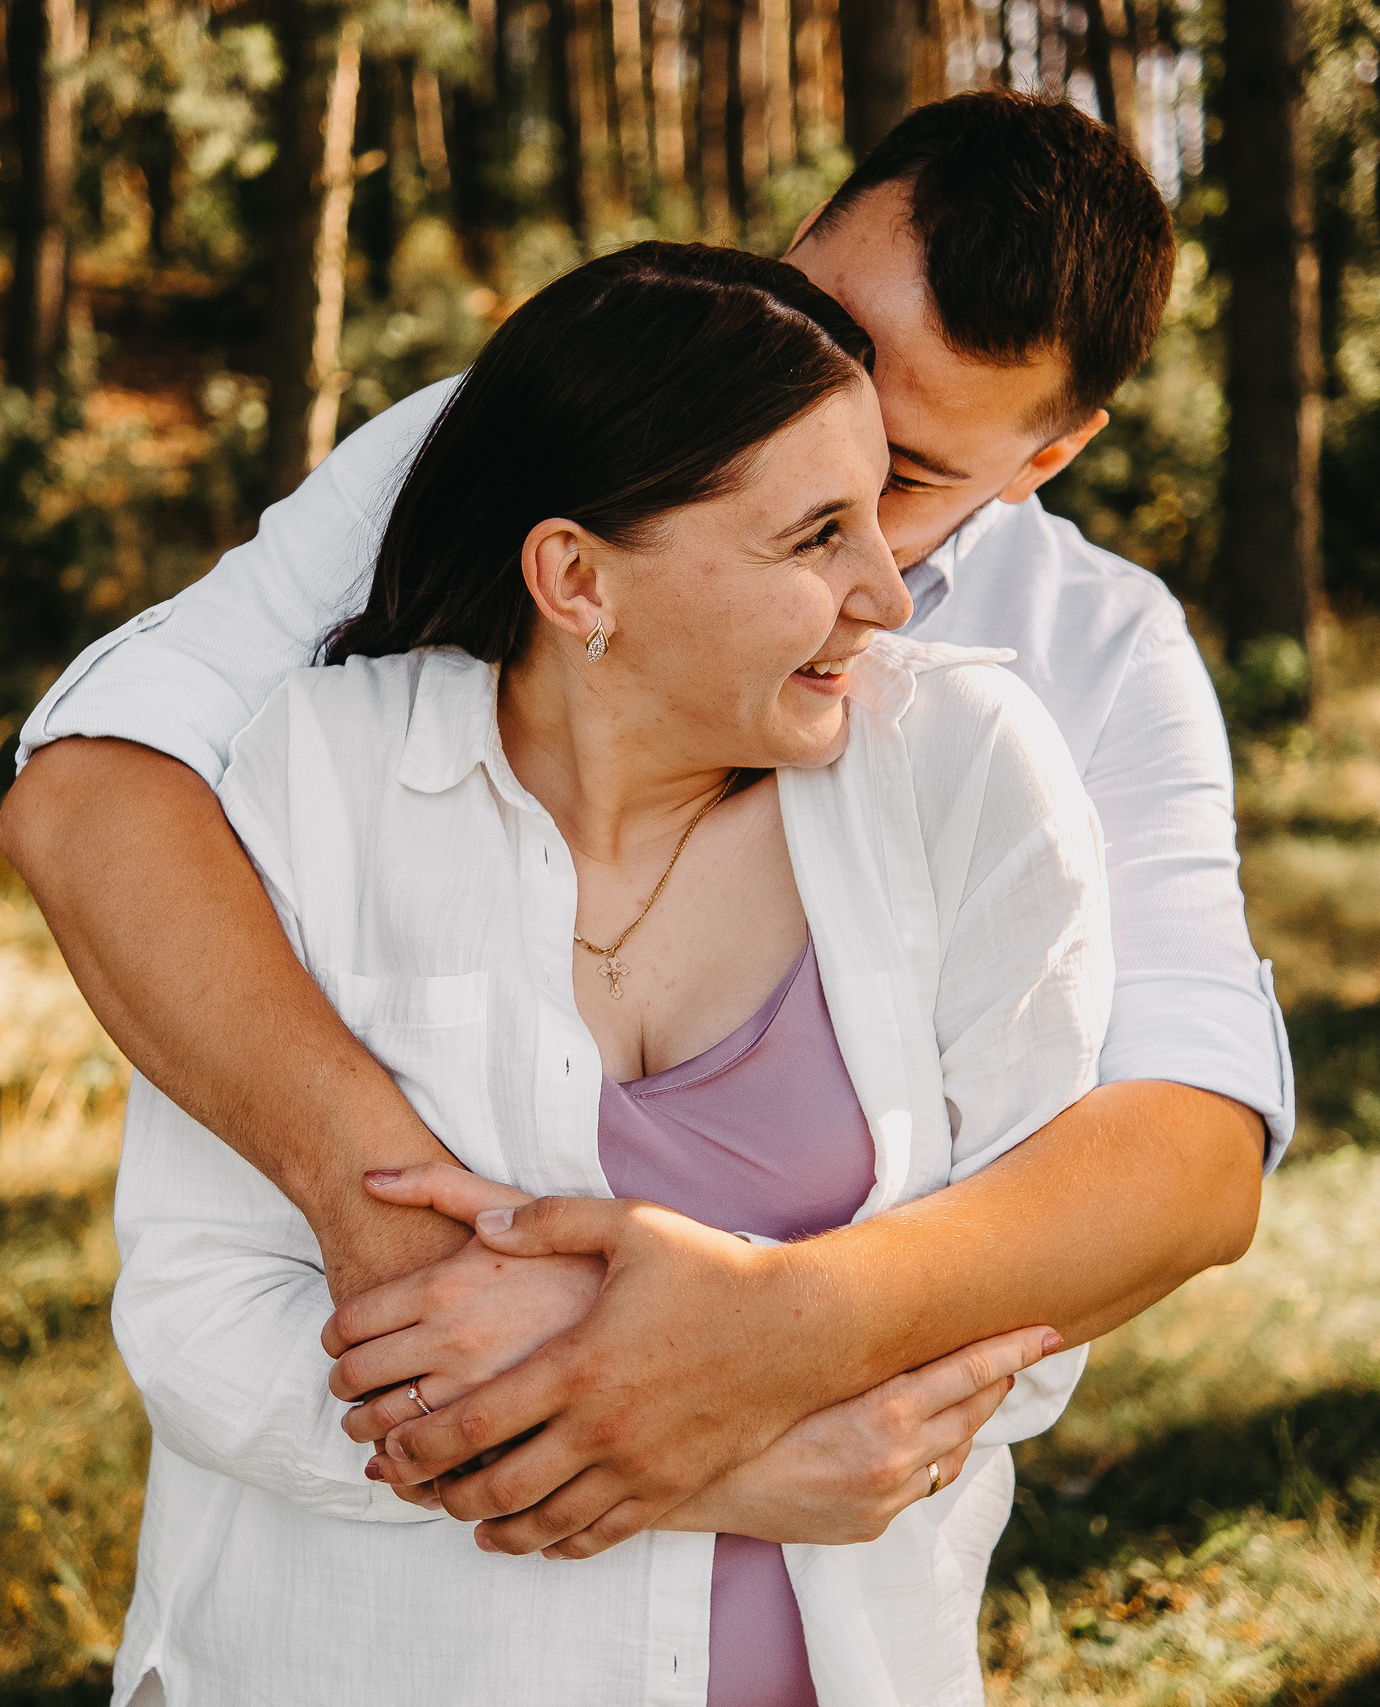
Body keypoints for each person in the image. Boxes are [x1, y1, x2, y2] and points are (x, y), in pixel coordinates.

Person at [3, 88, 1286, 1586]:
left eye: (904, 473)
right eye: (822, 323)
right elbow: (92, 789)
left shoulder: (1095, 657)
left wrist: (765, 1340)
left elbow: (1193, 1152)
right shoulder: (538, 442)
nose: (823, 415)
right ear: (800, 236)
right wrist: (411, 1239)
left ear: (1046, 457)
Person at [111, 242, 1111, 1705]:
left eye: (880, 516)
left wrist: (601, 1382)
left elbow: (1028, 1320)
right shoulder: (313, 781)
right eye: (815, 537)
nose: (889, 595)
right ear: (578, 577)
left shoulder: (965, 772)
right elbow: (200, 1319)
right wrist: (718, 1456)